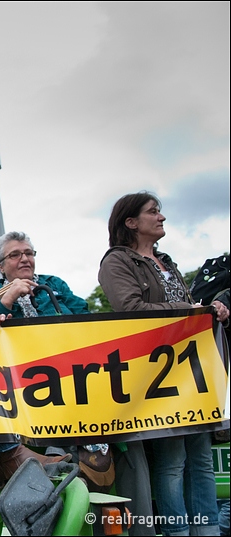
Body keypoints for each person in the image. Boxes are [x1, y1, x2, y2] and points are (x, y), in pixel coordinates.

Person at [98, 191, 228, 536]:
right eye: (153, 212)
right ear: (131, 222)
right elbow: (132, 310)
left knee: (200, 461)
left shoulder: (166, 262)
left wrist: (213, 313)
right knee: (172, 463)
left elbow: (191, 315)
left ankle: (208, 530)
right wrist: (192, 313)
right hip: (158, 376)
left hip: (192, 374)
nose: (162, 217)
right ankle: (177, 531)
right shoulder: (116, 262)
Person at [0, 231, 87, 490]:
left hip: (72, 383)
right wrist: (8, 299)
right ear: (1, 265)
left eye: (29, 253)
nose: (24, 258)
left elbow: (87, 319)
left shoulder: (55, 285)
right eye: (15, 254)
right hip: (25, 392)